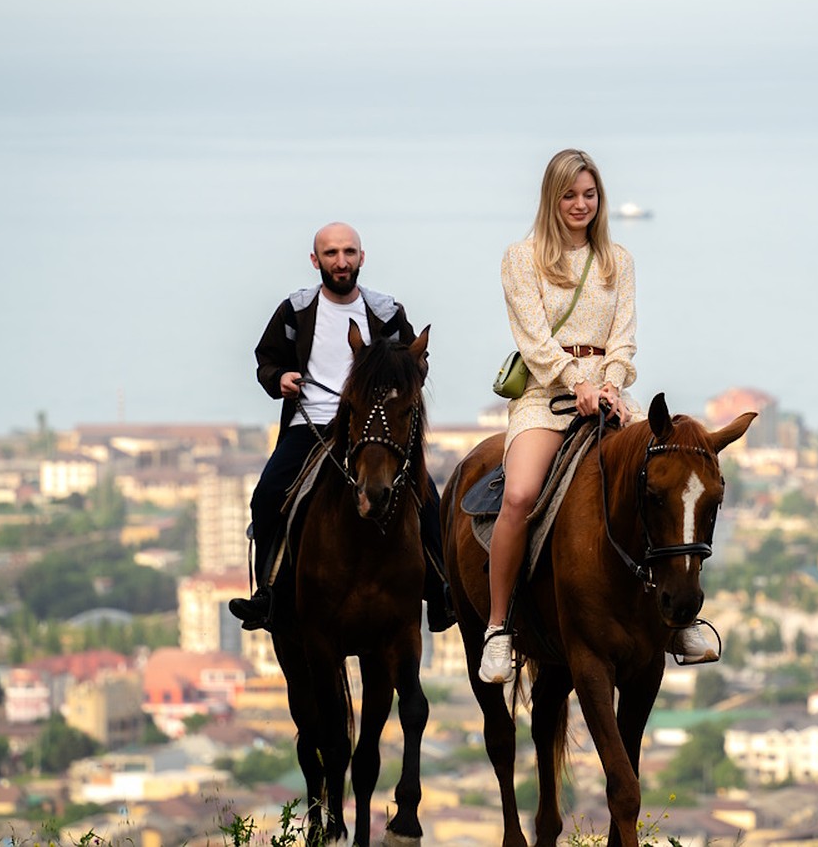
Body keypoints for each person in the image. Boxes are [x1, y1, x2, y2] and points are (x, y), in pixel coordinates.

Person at [479, 149, 717, 684]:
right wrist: (576, 383)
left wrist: (609, 384)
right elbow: (533, 338)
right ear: (552, 199)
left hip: (610, 395)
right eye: (569, 194)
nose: (580, 204)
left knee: (665, 486)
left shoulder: (618, 260)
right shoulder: (522, 258)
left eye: (589, 194)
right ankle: (498, 628)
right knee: (518, 495)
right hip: (546, 395)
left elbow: (624, 336)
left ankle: (679, 619)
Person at [228, 221, 452, 633]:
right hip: (310, 423)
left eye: (349, 252)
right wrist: (279, 379)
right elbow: (267, 358)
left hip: (370, 423)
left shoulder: (386, 312)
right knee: (266, 496)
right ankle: (269, 594)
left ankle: (441, 590)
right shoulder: (295, 311)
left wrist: (411, 371)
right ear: (316, 261)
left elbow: (413, 366)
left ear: (361, 258)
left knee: (427, 499)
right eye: (331, 253)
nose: (341, 261)